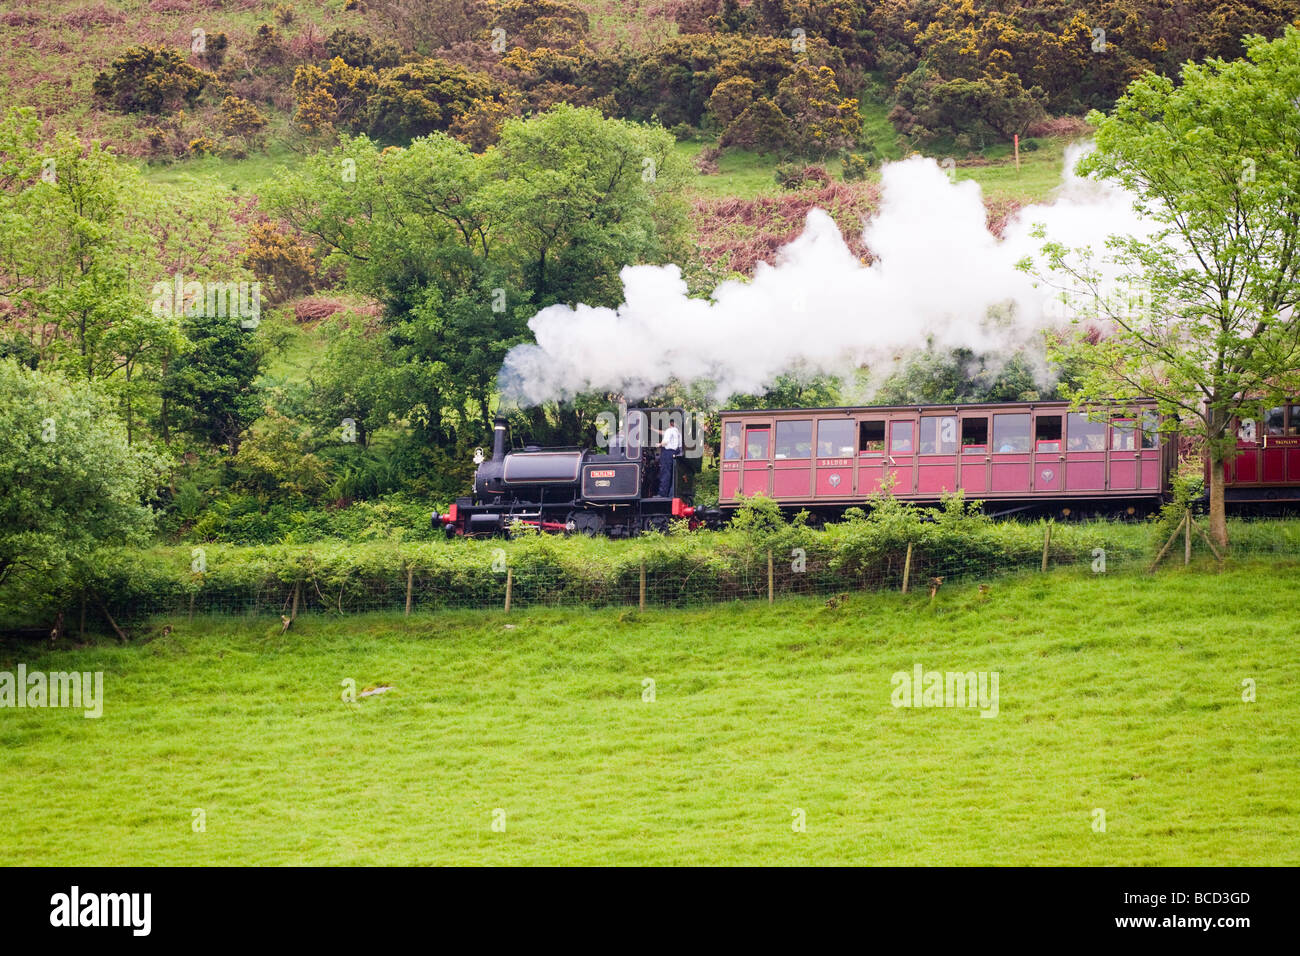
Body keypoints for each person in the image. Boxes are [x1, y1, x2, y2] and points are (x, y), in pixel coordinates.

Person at [658, 419, 682, 497]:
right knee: (671, 474)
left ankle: (662, 493)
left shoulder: (669, 430)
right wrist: (653, 429)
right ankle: (670, 494)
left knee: (665, 473)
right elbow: (680, 446)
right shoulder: (678, 433)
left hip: (667, 453)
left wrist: (659, 444)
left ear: (670, 423)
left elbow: (666, 442)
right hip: (674, 453)